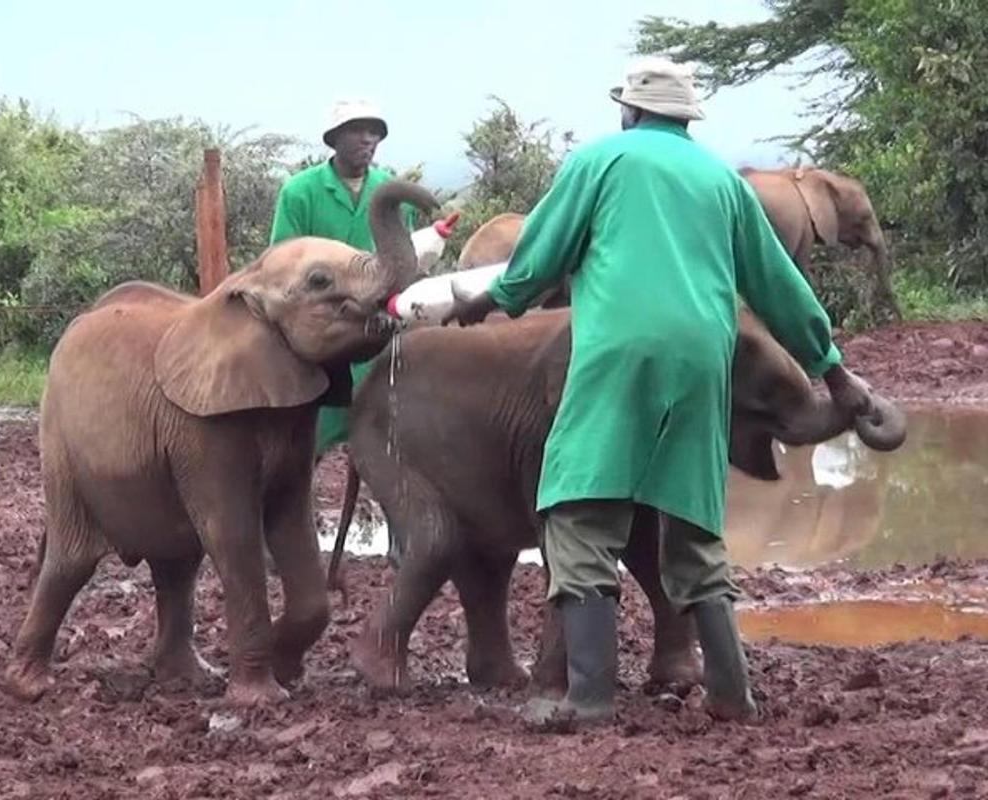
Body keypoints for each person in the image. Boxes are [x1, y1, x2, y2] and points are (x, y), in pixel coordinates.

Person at [443, 57, 877, 727]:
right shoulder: (722, 179)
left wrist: (491, 300)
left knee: (579, 507)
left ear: (630, 110)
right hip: (707, 355)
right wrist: (833, 368)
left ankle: (588, 699)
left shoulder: (599, 161)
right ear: (684, 116)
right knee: (692, 517)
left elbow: (540, 258)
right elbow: (777, 284)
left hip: (617, 350)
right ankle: (733, 695)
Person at [270, 99, 419, 460]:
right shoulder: (300, 192)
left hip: (378, 333)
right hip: (324, 338)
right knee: (307, 446)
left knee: (389, 446)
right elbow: (281, 265)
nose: (367, 139)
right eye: (356, 130)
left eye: (374, 132)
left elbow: (404, 263)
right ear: (334, 139)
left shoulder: (390, 194)